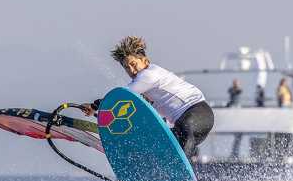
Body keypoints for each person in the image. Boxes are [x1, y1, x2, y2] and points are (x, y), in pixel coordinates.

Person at [83, 36, 214, 160]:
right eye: (126, 67)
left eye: (133, 64)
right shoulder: (147, 89)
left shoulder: (149, 75)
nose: (131, 70)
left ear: (145, 61)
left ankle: (183, 174)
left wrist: (94, 106)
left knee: (184, 134)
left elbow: (122, 97)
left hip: (198, 114)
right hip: (192, 125)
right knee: (159, 144)